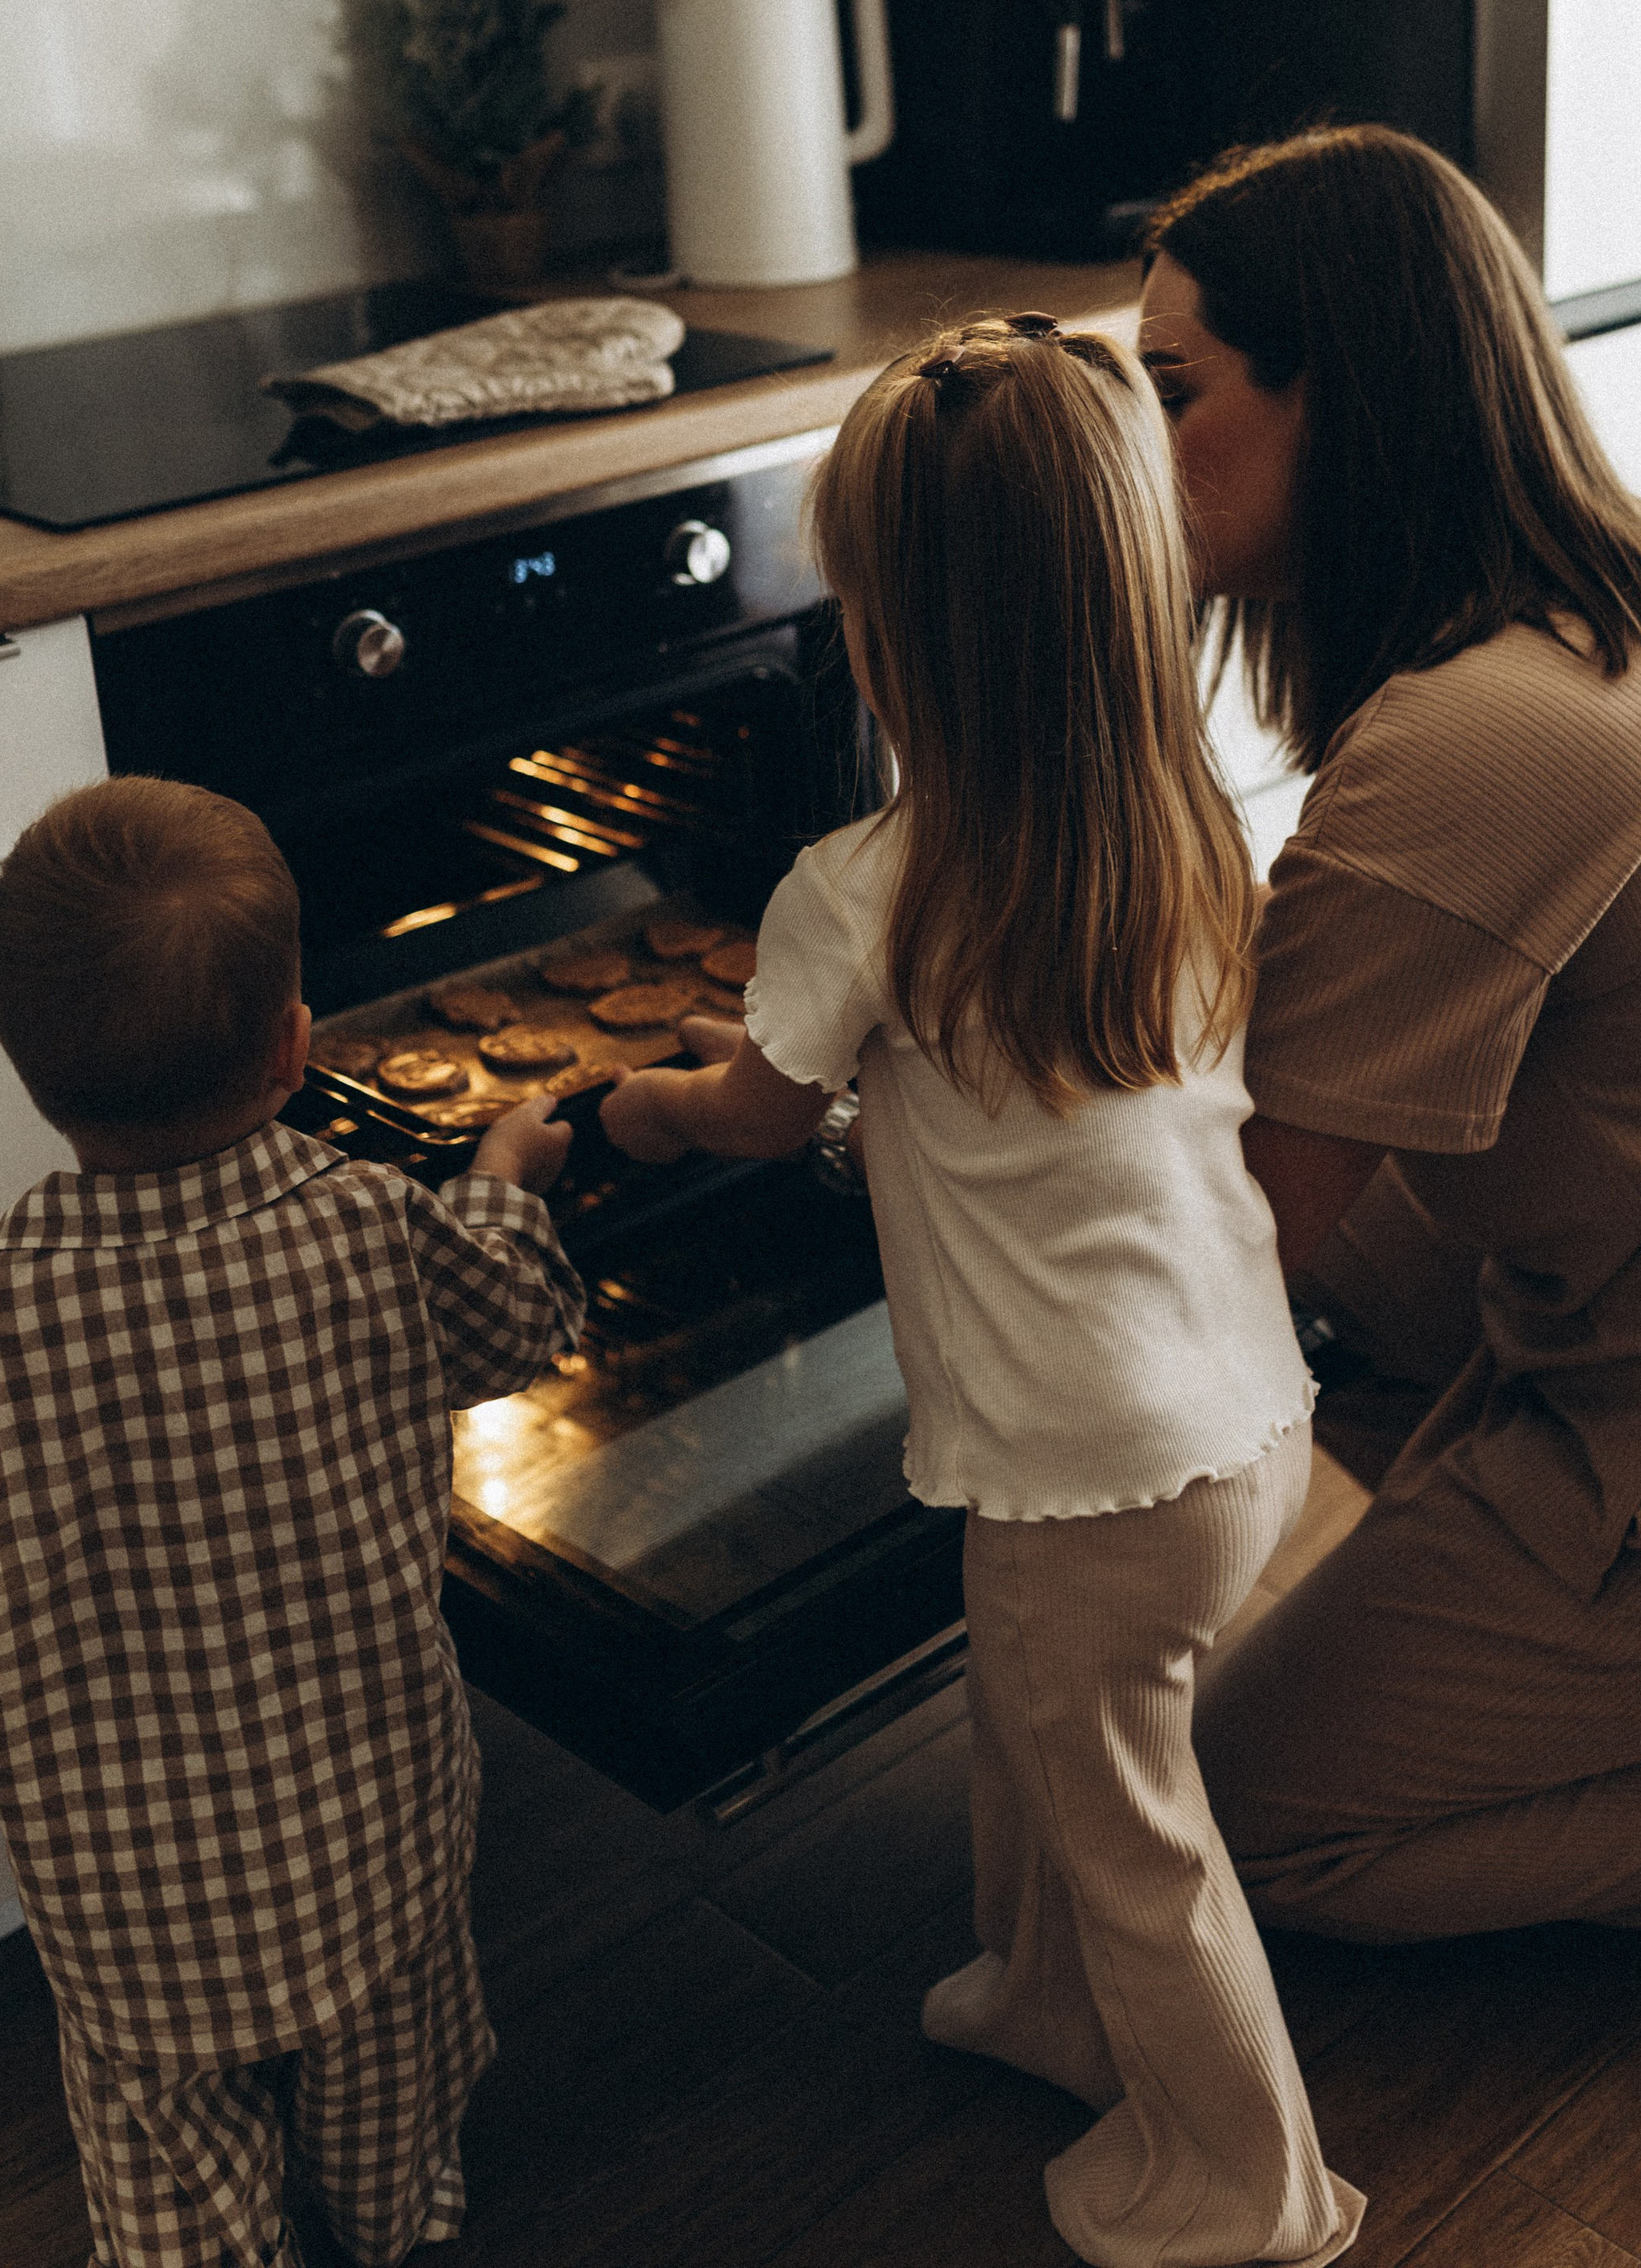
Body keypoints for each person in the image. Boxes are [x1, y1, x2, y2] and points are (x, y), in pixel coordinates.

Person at [1132, 124, 1641, 1951]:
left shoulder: (1471, 741)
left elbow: (1230, 1234)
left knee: (1243, 1843)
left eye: (1168, 390)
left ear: (1333, 397)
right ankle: (1540, 1593)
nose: (1138, 442)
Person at [603, 315, 1364, 2268]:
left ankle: (1245, 2177)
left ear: (889, 642)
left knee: (1125, 1817)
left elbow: (762, 1116)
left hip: (1084, 1473)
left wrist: (650, 1109)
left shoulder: (860, 891)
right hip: (1241, 1421)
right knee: (1052, 1735)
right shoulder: (1185, 838)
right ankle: (1038, 2001)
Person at [0, 777, 584, 2268]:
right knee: (387, 2121)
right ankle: (387, 2220)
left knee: (175, 2176)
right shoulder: (371, 1226)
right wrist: (499, 1183)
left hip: (136, 1923)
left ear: (27, 1071)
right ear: (295, 1044)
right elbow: (515, 1327)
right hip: (379, 1844)